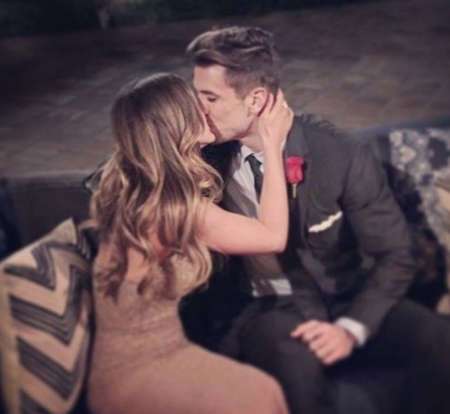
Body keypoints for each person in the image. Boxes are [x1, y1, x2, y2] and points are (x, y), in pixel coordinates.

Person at [185, 26, 450, 414]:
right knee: (297, 370)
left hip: (342, 295)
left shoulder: (338, 154)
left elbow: (395, 253)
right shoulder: (202, 155)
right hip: (265, 305)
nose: (198, 110)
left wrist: (351, 329)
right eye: (196, 96)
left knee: (438, 338)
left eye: (209, 98)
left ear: (255, 99)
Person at [86, 72, 293, 414]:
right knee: (259, 397)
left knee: (264, 391)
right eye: (194, 103)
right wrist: (272, 146)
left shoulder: (142, 181)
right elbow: (272, 236)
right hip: (134, 372)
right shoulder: (174, 209)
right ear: (175, 125)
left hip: (169, 347)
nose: (206, 108)